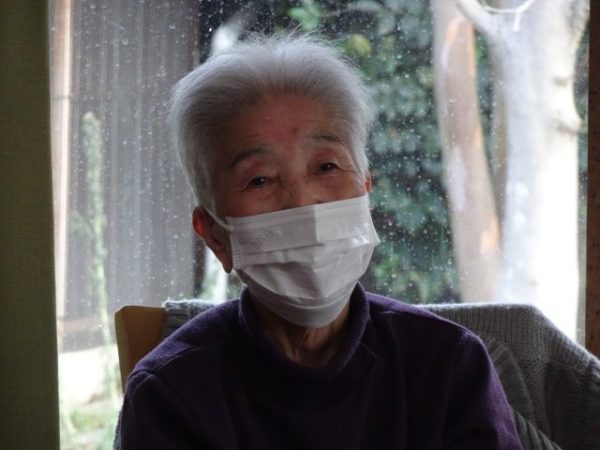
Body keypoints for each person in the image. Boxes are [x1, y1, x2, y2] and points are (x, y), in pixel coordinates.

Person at [117, 34, 522, 449]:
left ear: (365, 192)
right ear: (215, 236)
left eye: (326, 167)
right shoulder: (171, 395)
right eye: (260, 180)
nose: (302, 203)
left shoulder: (449, 366)